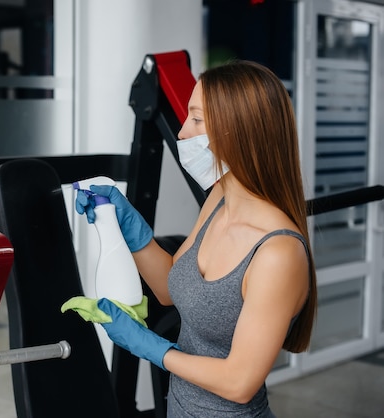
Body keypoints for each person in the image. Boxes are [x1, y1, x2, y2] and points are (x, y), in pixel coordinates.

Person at [75, 60, 317, 417]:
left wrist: (152, 348)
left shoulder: (277, 253)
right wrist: (130, 227)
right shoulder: (219, 198)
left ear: (241, 130)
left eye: (198, 120)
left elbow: (239, 383)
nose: (183, 132)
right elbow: (169, 290)